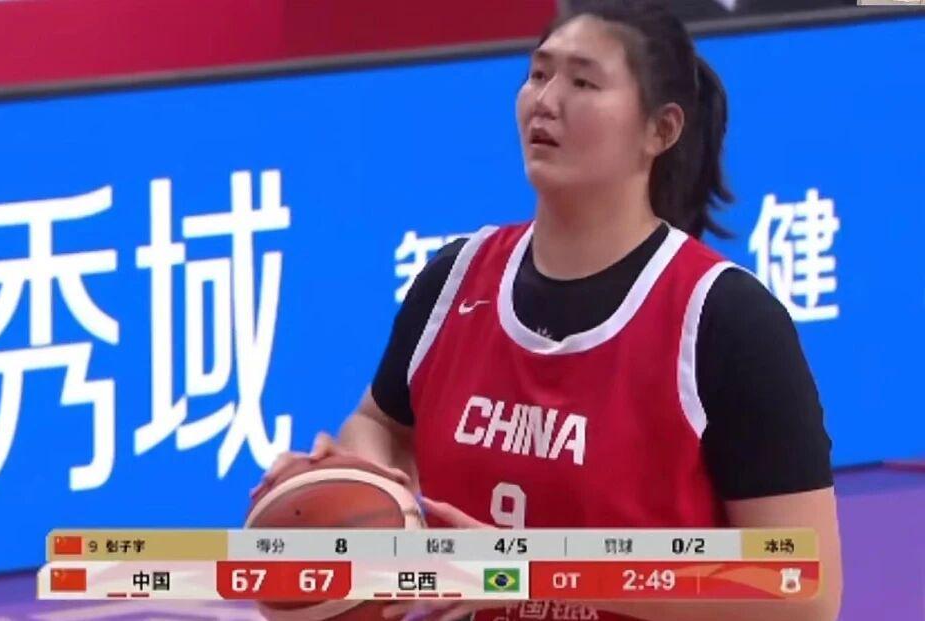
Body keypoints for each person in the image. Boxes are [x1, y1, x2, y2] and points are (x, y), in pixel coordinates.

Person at [254, 1, 843, 620]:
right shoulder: (456, 280)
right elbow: (380, 423)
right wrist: (359, 487)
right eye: (538, 74)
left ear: (661, 130)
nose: (546, 100)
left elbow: (804, 593)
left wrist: (529, 570)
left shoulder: (726, 320)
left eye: (583, 82)